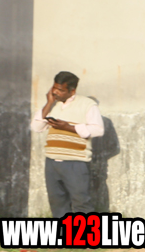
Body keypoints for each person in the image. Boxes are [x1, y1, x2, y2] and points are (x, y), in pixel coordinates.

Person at [30, 71, 104, 217]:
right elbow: (36, 127)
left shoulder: (87, 105)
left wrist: (68, 127)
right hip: (52, 162)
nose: (55, 92)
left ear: (72, 91)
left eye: (60, 90)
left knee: (81, 202)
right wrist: (49, 103)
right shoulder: (52, 105)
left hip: (75, 163)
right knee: (57, 203)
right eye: (54, 88)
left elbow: (98, 130)